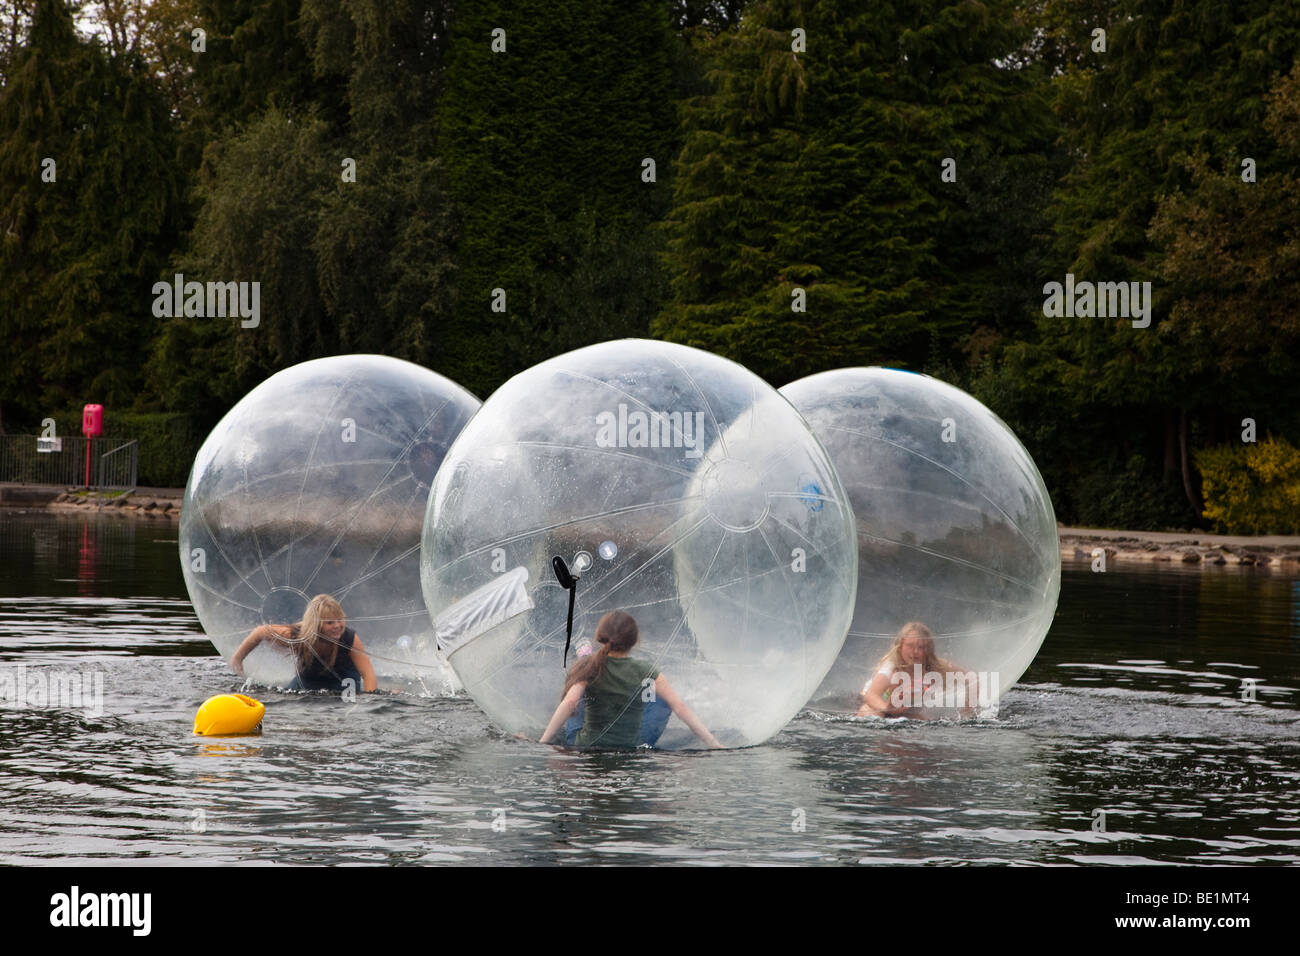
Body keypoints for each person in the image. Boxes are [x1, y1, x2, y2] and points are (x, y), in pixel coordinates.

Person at [540, 610, 722, 749]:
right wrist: (714, 744)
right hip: (631, 746)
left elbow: (570, 702)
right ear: (635, 641)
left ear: (601, 637)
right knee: (662, 698)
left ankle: (583, 655)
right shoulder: (646, 671)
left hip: (585, 744)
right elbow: (680, 708)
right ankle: (585, 658)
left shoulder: (590, 667)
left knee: (579, 694)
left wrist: (542, 742)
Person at [231, 594, 378, 693]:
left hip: (344, 679)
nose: (337, 626)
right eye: (330, 623)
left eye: (340, 620)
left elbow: (368, 674)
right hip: (309, 679)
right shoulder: (296, 636)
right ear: (315, 624)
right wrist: (238, 660)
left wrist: (370, 702)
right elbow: (261, 632)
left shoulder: (349, 638)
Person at [856, 621, 976, 718]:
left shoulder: (936, 667)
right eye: (910, 646)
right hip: (877, 704)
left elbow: (971, 679)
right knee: (870, 714)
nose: (915, 652)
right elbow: (871, 694)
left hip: (906, 711)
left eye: (921, 647)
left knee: (923, 723)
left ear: (928, 650)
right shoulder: (892, 666)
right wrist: (889, 709)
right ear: (900, 646)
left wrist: (967, 711)